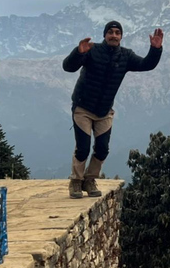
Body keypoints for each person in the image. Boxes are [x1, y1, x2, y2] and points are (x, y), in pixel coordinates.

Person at [63, 21, 163, 198]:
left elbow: (146, 64)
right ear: (105, 35)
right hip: (83, 108)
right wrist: (78, 53)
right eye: (111, 32)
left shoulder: (126, 56)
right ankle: (76, 181)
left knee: (102, 149)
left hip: (104, 111)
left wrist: (155, 49)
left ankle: (90, 179)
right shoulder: (91, 50)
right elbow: (68, 67)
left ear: (121, 36)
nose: (114, 36)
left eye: (118, 33)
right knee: (83, 148)